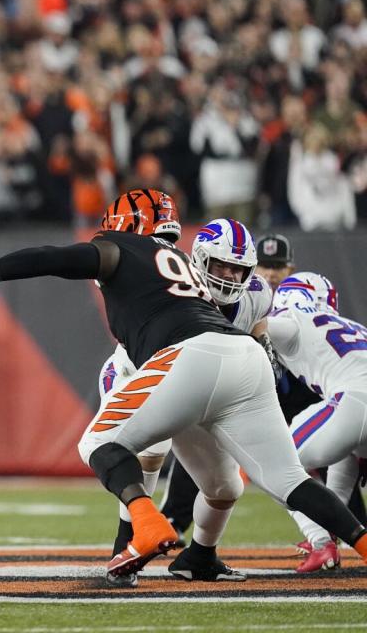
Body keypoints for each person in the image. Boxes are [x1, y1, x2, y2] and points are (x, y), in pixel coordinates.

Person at [0, 189, 367, 581]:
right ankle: (211, 556)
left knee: (99, 443)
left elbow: (51, 258)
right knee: (261, 482)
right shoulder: (187, 271)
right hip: (241, 360)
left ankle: (146, 526)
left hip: (181, 361)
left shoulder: (122, 249)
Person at [100, 217, 274, 587]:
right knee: (149, 451)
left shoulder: (257, 294)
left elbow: (259, 320)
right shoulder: (174, 286)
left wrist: (262, 342)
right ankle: (124, 544)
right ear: (198, 259)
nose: (228, 275)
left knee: (226, 487)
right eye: (220, 265)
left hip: (198, 380)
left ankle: (199, 557)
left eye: (237, 268)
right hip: (137, 371)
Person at [267, 273, 367, 573]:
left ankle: (321, 540)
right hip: (355, 403)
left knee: (271, 463)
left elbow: (260, 326)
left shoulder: (292, 316)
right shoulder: (356, 327)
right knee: (347, 459)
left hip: (351, 401)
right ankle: (329, 536)